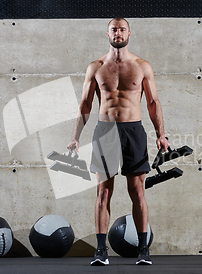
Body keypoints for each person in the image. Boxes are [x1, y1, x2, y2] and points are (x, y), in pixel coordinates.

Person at [67, 17, 169, 266]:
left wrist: (160, 134)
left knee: (137, 191)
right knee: (103, 192)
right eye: (114, 29)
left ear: (129, 33)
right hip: (105, 131)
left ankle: (143, 250)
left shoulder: (142, 66)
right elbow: (85, 104)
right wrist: (75, 137)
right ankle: (101, 251)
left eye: (122, 29)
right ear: (107, 33)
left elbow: (153, 103)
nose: (118, 33)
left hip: (133, 131)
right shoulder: (96, 66)